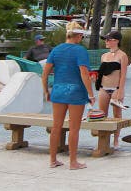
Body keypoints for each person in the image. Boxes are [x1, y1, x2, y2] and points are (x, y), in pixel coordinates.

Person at [41, 21, 93, 170]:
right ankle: (73, 162)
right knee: (74, 128)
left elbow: (44, 74)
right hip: (76, 92)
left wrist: (46, 91)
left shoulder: (56, 50)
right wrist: (90, 93)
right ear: (78, 35)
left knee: (56, 127)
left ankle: (52, 160)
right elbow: (84, 73)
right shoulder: (80, 51)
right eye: (82, 36)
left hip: (58, 91)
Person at [97, 31, 129, 148]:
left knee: (117, 114)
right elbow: (102, 74)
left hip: (116, 87)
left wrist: (120, 91)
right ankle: (103, 140)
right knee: (102, 114)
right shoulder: (104, 56)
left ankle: (116, 140)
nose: (106, 42)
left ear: (116, 41)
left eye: (108, 40)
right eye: (106, 40)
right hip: (104, 87)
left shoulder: (122, 55)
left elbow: (123, 75)